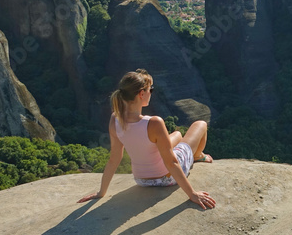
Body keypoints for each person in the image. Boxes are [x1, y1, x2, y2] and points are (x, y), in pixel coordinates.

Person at [78, 69, 216, 209]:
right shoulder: (154, 123)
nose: (151, 93)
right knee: (200, 124)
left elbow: (114, 159)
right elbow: (172, 162)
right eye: (151, 89)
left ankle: (187, 148)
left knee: (177, 135)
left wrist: (101, 192)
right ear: (141, 93)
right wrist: (192, 194)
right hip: (166, 177)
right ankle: (197, 155)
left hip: (141, 180)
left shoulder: (115, 119)